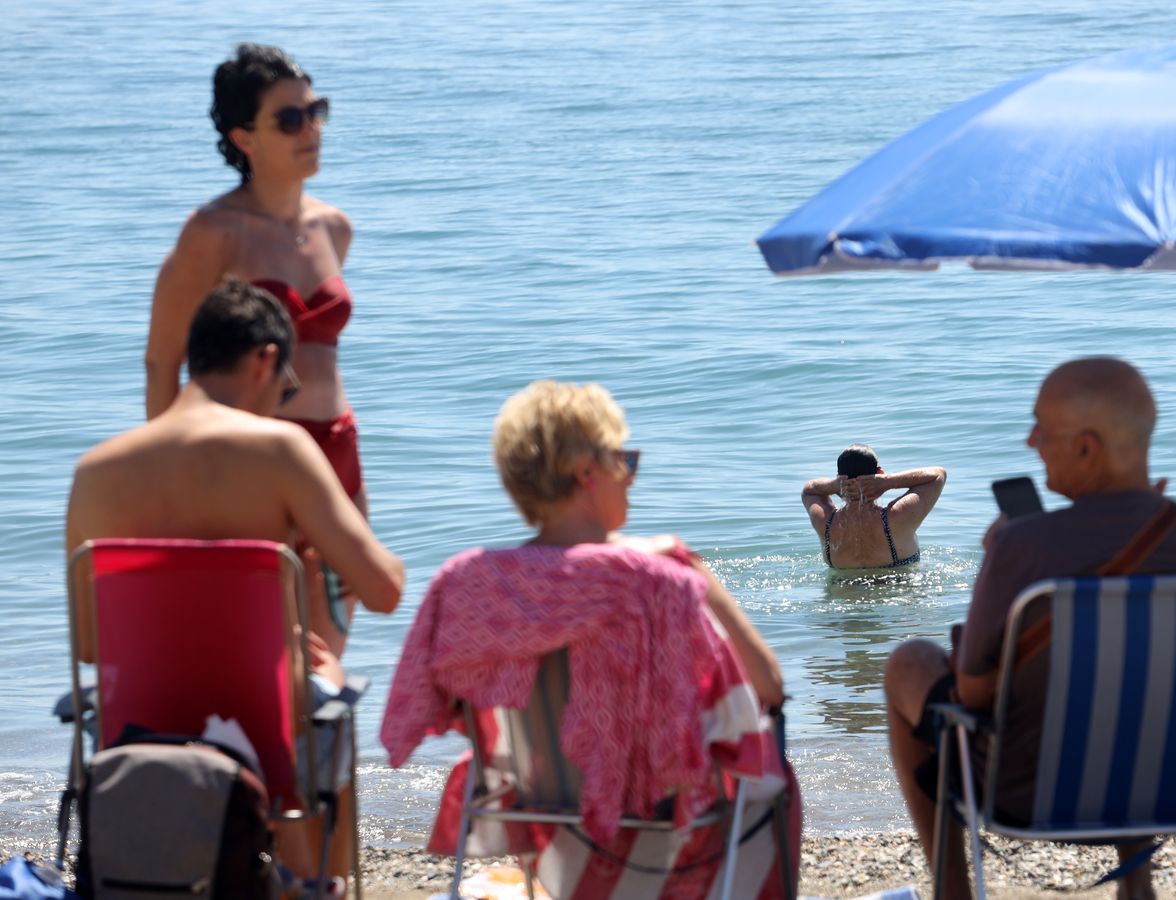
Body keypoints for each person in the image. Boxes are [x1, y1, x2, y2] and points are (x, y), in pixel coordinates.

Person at [381, 381, 799, 897]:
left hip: (544, 807)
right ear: (587, 472)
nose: (630, 477)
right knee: (771, 749)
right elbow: (769, 687)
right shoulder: (660, 576)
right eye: (624, 460)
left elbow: (441, 701)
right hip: (671, 813)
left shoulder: (467, 582)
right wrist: (696, 573)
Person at [882, 357, 1176, 900]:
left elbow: (972, 691)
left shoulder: (1023, 545)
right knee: (1139, 678)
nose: (1030, 440)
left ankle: (953, 893)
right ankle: (1137, 883)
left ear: (1087, 447)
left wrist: (998, 557)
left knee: (908, 662)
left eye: (1041, 427)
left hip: (1029, 789)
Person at [68, 279, 404, 891]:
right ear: (266, 359)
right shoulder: (281, 450)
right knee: (330, 707)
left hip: (133, 736)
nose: (284, 403)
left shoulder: (97, 470)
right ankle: (319, 885)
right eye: (287, 388)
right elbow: (382, 590)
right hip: (262, 734)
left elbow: (89, 647)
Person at [143, 43, 366, 655]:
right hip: (249, 456)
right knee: (257, 644)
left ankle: (321, 754)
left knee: (329, 645)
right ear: (245, 137)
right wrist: (170, 475)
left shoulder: (334, 228)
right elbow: (164, 359)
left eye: (315, 111)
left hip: (336, 445)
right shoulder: (213, 232)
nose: (311, 129)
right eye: (289, 119)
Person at [802, 445, 946, 568]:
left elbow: (809, 490)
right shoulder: (898, 516)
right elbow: (938, 475)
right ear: (880, 474)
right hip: (895, 590)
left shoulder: (825, 521)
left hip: (842, 591)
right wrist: (889, 481)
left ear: (839, 476)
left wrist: (834, 485)